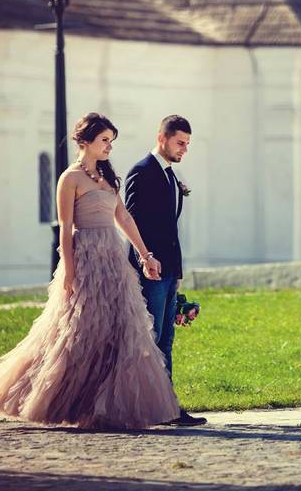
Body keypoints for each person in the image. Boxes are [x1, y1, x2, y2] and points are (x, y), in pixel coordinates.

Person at [0, 113, 180, 429]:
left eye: (111, 140)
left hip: (113, 261)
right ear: (85, 142)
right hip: (85, 260)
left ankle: (103, 407)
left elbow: (123, 217)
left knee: (119, 331)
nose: (109, 146)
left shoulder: (108, 178)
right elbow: (66, 229)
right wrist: (67, 271)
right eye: (104, 140)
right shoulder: (69, 179)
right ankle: (59, 400)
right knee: (79, 333)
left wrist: (144, 254)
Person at [126, 114, 206, 426]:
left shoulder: (171, 176)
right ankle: (142, 407)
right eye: (180, 142)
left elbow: (170, 228)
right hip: (151, 269)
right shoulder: (142, 171)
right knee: (151, 337)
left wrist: (178, 271)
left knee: (166, 340)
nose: (184, 149)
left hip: (170, 268)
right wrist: (146, 258)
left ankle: (168, 408)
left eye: (187, 144)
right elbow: (132, 219)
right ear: (163, 138)